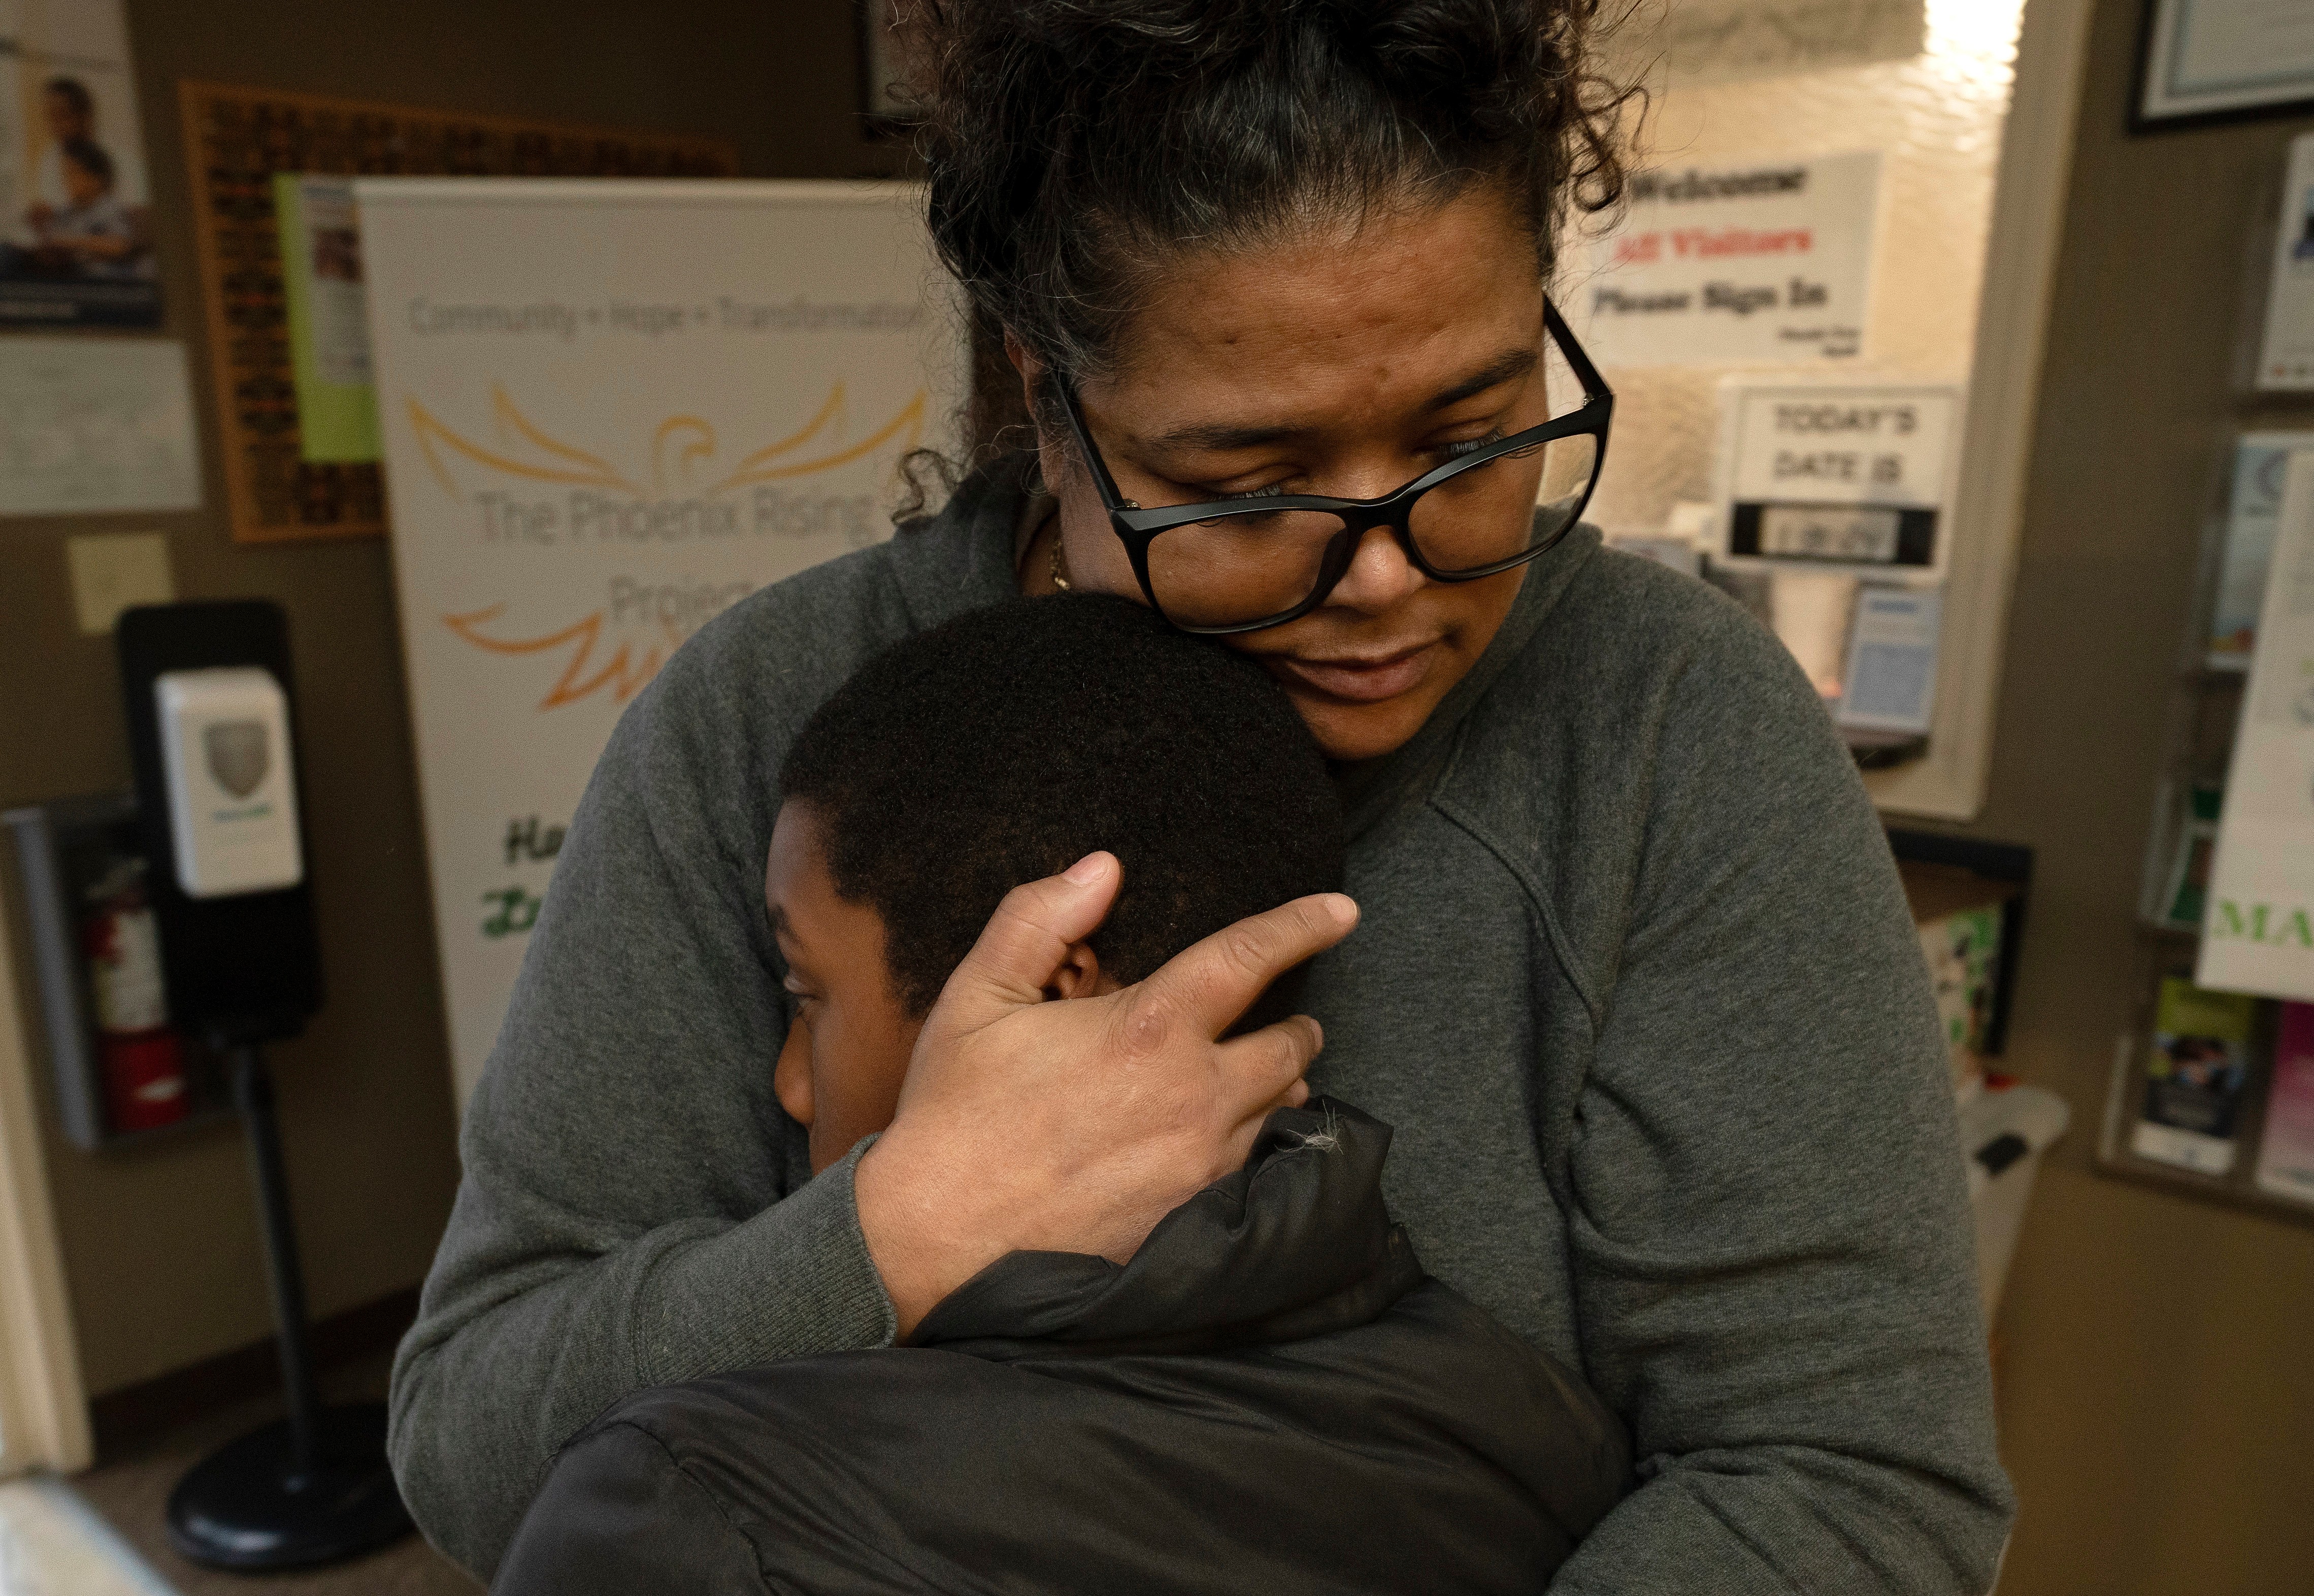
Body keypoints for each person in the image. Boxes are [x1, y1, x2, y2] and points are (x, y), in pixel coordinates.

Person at [391, 3, 2015, 1588]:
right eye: (1245, 487)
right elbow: (475, 1444)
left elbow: (1851, 1481)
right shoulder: (761, 720)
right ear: (1045, 400)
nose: (1386, 580)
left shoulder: (1666, 729)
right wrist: (901, 1227)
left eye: (1472, 433)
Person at [488, 594, 1632, 1595]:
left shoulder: (693, 1511)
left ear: (1049, 986)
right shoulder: (1533, 1426)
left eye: (805, 992)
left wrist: (892, 1223)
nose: (789, 1082)